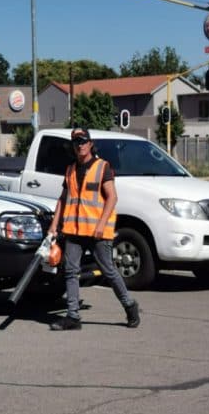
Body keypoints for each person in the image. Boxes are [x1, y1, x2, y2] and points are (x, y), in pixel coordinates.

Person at [47, 127, 140, 331]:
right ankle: (73, 317)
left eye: (83, 141)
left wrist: (100, 224)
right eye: (76, 142)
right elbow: (63, 199)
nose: (79, 145)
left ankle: (130, 306)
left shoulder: (102, 167)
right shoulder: (70, 169)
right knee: (71, 272)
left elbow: (112, 197)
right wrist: (54, 226)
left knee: (109, 270)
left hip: (98, 232)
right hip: (74, 231)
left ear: (90, 144)